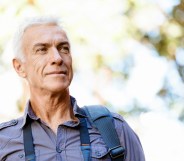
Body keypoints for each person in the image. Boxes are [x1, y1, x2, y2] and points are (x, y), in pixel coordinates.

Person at [0, 16, 145, 161]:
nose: (57, 58)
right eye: (42, 50)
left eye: (64, 48)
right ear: (19, 67)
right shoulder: (3, 142)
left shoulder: (113, 129)